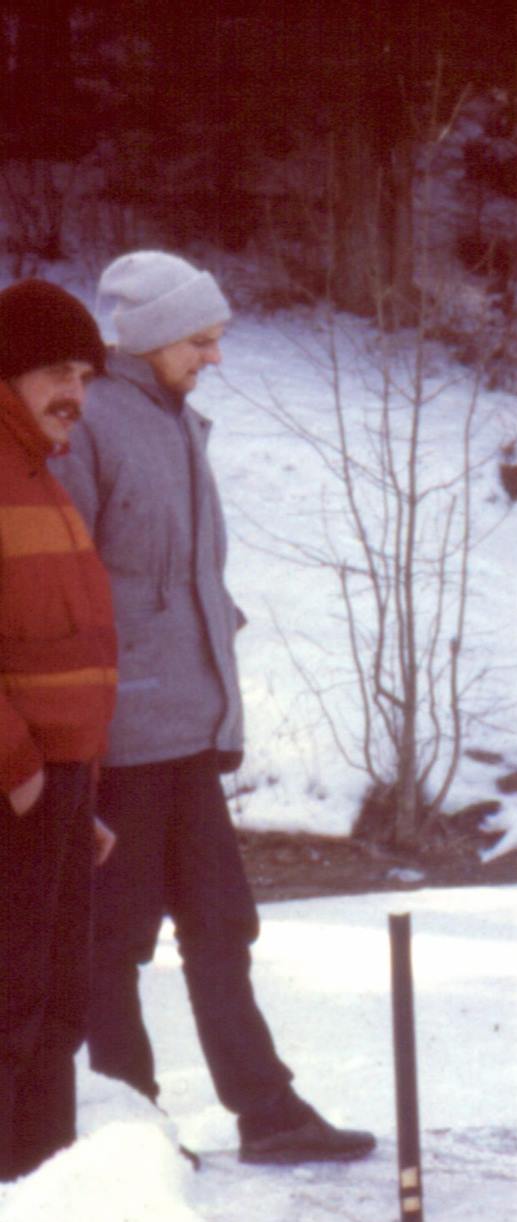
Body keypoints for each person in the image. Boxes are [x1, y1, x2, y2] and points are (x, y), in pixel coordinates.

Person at [55, 251, 375, 1165]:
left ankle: (268, 1111)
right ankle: (130, 1128)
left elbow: (186, 580)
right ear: (151, 337)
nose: (215, 357)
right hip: (121, 739)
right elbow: (70, 591)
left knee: (222, 924)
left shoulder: (176, 423)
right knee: (115, 943)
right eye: (200, 340)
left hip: (188, 730)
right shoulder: (91, 424)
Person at [0, 278, 119, 1181]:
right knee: (10, 1001)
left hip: (60, 784)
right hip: (16, 785)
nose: (73, 391)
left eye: (83, 374)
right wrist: (20, 765)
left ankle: (43, 1199)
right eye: (54, 372)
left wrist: (81, 791)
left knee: (57, 1002)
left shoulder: (42, 474)